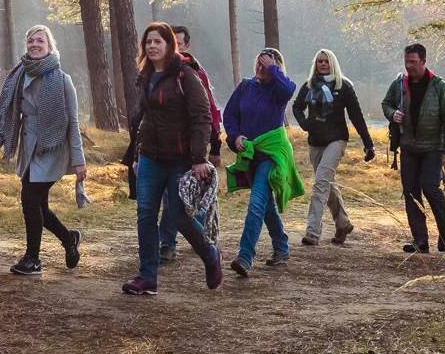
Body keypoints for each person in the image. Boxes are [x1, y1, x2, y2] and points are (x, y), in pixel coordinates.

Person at [120, 22, 224, 295]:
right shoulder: (145, 76)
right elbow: (142, 120)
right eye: (148, 42)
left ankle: (210, 255)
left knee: (179, 217)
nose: (152, 46)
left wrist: (200, 157)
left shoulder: (185, 76)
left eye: (158, 42)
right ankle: (147, 278)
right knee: (145, 215)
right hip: (150, 159)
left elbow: (202, 117)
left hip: (180, 160)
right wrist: (135, 154)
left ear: (169, 45)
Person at [0, 26, 86, 276]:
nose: (34, 44)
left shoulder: (62, 80)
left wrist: (79, 161)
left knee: (29, 199)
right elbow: (8, 118)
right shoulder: (18, 77)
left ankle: (33, 259)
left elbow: (73, 123)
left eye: (40, 40)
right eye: (31, 40)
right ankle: (69, 238)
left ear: (50, 47)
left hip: (53, 147)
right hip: (29, 148)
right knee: (39, 206)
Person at [223, 48, 301, 277]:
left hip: (273, 154)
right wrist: (235, 136)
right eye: (259, 63)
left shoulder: (279, 90)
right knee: (265, 206)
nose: (261, 67)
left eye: (266, 64)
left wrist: (273, 69)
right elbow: (230, 115)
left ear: (276, 68)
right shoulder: (246, 86)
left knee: (256, 202)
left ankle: (245, 256)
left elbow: (289, 90)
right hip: (250, 154)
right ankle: (282, 245)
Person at [380, 43, 445, 254]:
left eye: (413, 62)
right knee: (410, 193)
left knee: (430, 188)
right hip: (408, 148)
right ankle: (420, 241)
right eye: (407, 62)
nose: (409, 66)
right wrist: (392, 114)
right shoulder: (399, 84)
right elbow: (386, 103)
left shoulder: (440, 87)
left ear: (424, 62)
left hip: (433, 148)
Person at [290, 48, 376, 247]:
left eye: (326, 61)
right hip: (315, 141)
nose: (322, 64)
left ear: (333, 63)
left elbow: (356, 115)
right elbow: (296, 106)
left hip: (336, 140)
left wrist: (368, 143)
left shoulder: (343, 86)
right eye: (319, 61)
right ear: (315, 64)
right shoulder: (309, 85)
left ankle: (312, 232)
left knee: (320, 183)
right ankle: (343, 223)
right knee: (326, 184)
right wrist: (304, 123)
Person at [159, 25, 224, 262]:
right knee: (170, 196)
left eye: (179, 43)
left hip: (189, 147)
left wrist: (215, 146)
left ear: (186, 46)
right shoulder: (157, 72)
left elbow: (209, 112)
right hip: (162, 147)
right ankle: (168, 243)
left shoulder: (195, 73)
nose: (174, 48)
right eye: (170, 43)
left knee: (180, 196)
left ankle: (200, 234)